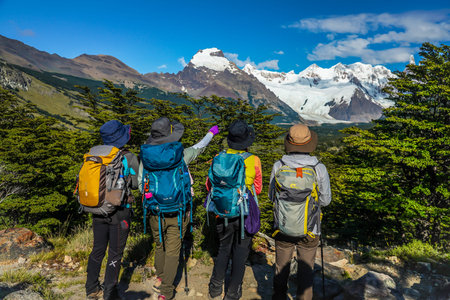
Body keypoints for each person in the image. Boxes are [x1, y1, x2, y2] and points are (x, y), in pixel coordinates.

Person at [138, 117, 219, 300]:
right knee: (174, 250)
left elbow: (139, 184)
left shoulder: (147, 156)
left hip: (154, 209)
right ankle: (166, 291)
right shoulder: (180, 154)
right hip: (178, 209)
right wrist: (211, 133)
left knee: (160, 244)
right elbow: (199, 147)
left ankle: (160, 277)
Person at [269, 124, 331, 300]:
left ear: (289, 142)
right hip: (310, 229)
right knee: (306, 270)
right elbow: (326, 200)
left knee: (281, 268)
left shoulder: (278, 165)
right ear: (309, 143)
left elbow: (271, 197)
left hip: (282, 226)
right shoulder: (319, 168)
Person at [207, 119, 262, 300]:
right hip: (245, 211)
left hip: (222, 209)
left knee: (223, 248)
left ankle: (215, 288)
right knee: (241, 251)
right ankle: (232, 292)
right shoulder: (254, 160)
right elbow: (258, 189)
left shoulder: (218, 158)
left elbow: (210, 186)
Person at [85, 120, 139, 300]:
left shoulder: (94, 155)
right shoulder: (128, 156)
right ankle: (110, 294)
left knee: (98, 250)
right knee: (115, 253)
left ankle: (91, 288)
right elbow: (137, 184)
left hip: (97, 208)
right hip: (119, 211)